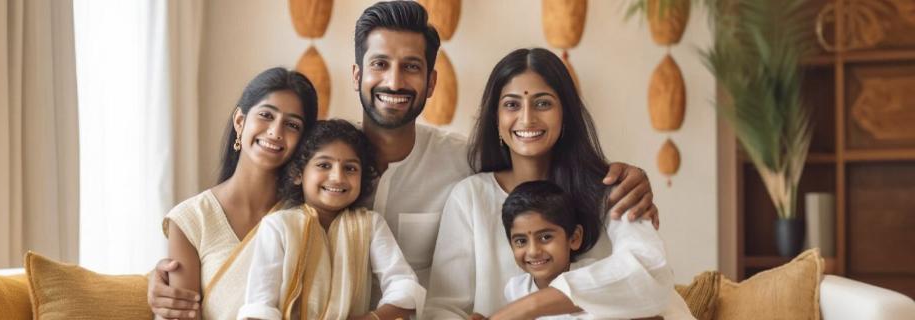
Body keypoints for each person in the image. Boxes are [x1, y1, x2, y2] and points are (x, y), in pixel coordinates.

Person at [149, 2, 658, 318]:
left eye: (411, 67)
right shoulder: (317, 168)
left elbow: (532, 172)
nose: (394, 81)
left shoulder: (466, 166)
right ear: (356, 74)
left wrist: (624, 178)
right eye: (380, 65)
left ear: (431, 81)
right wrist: (163, 288)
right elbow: (237, 234)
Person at [426, 48, 664, 319]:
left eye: (542, 103)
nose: (527, 119)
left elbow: (650, 273)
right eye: (512, 104)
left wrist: (525, 309)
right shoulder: (470, 197)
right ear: (496, 118)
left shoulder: (612, 188)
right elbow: (442, 309)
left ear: (565, 115)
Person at [159, 67, 318, 320]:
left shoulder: (307, 217)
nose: (276, 132)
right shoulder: (190, 220)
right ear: (240, 122)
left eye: (292, 125)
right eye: (266, 115)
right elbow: (179, 313)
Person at [237, 119, 424, 320]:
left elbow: (404, 287)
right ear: (298, 174)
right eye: (324, 165)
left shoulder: (370, 226)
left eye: (350, 168)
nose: (337, 177)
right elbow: (259, 305)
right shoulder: (279, 226)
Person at [493, 180, 694, 320]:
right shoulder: (516, 289)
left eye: (545, 237)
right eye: (520, 241)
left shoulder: (594, 278)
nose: (533, 250)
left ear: (574, 238)